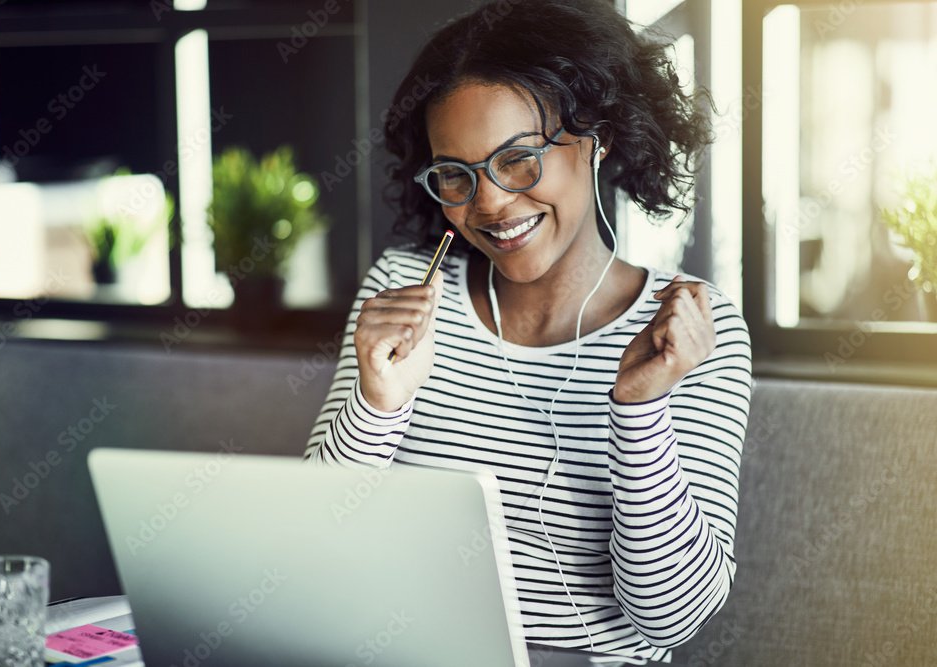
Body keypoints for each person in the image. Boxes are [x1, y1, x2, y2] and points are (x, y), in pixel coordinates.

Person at [304, 0, 752, 661]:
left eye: (517, 159)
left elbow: (670, 618)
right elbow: (312, 542)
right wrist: (379, 404)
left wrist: (640, 410)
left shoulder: (684, 330)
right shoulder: (403, 293)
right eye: (455, 174)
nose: (487, 203)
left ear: (596, 138)